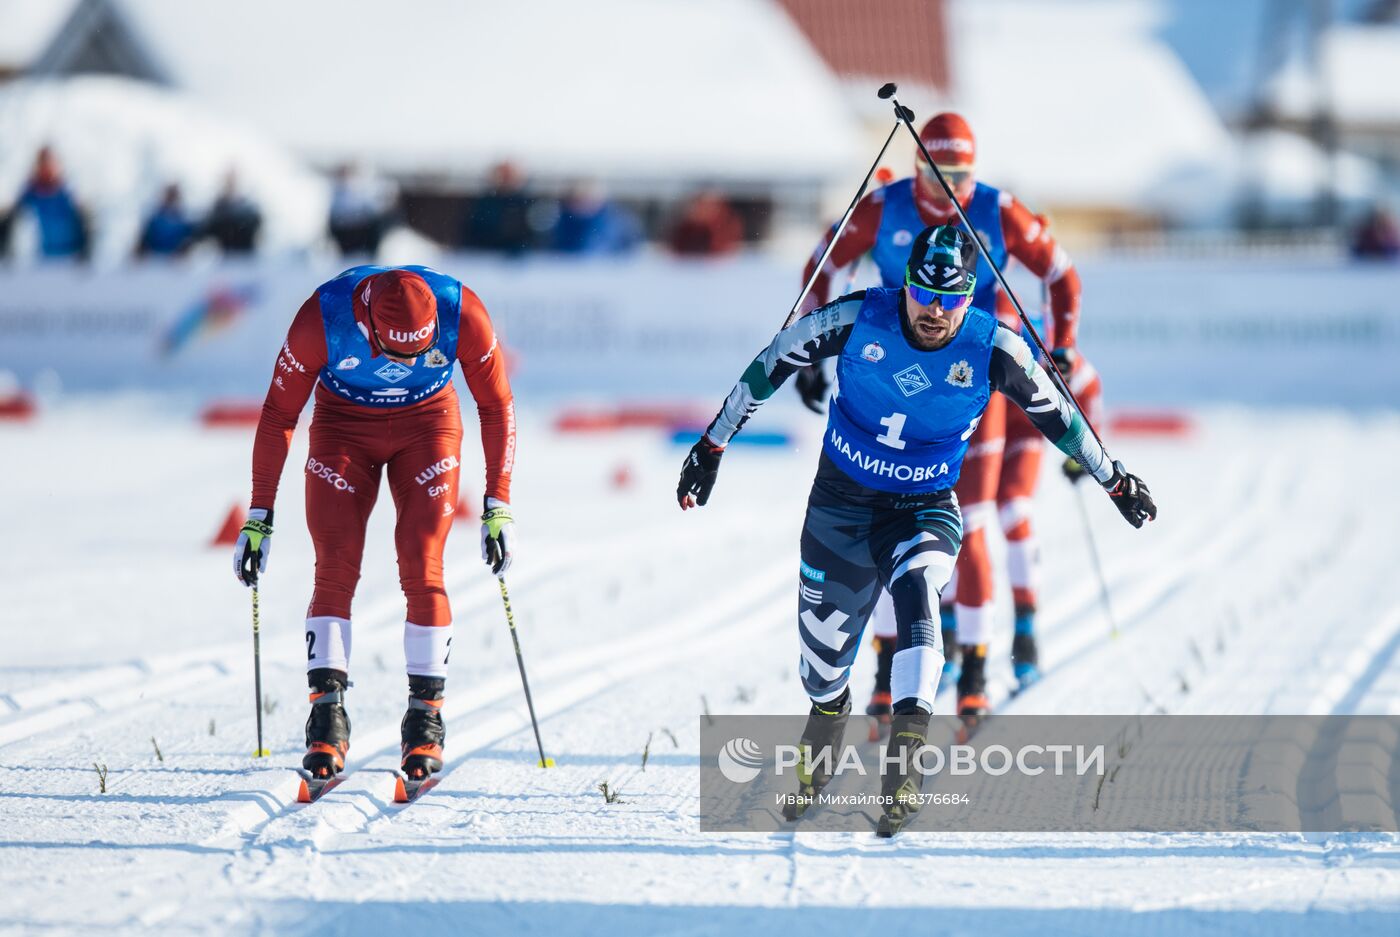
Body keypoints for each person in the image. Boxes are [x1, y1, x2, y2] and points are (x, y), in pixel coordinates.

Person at [677, 225, 1154, 836]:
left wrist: (1115, 480)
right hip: (839, 507)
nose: (934, 312)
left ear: (970, 298)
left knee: (919, 593)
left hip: (924, 504)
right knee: (821, 670)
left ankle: (904, 764)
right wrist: (712, 446)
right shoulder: (857, 317)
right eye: (923, 295)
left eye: (950, 300)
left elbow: (1061, 415)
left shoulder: (994, 348)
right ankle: (828, 716)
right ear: (903, 285)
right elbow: (770, 364)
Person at [793, 113, 1102, 725]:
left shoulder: (998, 209)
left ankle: (979, 666)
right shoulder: (883, 207)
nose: (946, 188)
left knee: (982, 517)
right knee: (881, 522)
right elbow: (824, 265)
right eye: (935, 176)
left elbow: (1062, 275)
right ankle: (887, 669)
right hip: (888, 380)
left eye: (959, 175)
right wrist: (810, 352)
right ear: (915, 168)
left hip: (967, 383)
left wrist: (1062, 347)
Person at [232, 266, 518, 784]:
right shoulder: (323, 317)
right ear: (366, 325)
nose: (407, 363)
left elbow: (496, 404)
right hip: (344, 428)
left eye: (420, 353)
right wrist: (259, 515)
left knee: (421, 556)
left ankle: (426, 718)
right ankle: (327, 715)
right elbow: (278, 413)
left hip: (428, 425)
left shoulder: (462, 311)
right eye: (397, 354)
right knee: (335, 563)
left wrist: (498, 504)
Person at [15, 146, 88, 261]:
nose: (47, 168)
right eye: (43, 164)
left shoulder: (67, 193)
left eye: (50, 163)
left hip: (70, 258)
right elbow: (16, 220)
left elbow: (83, 224)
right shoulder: (30, 194)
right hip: (42, 260)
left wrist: (83, 253)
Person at [204, 170, 262, 255]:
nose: (230, 184)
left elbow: (256, 224)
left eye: (232, 180)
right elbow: (210, 228)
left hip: (246, 256)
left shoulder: (248, 205)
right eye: (228, 181)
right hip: (227, 256)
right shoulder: (219, 206)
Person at [137, 183, 197, 258]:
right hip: (153, 258)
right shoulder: (154, 218)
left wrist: (184, 249)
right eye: (169, 196)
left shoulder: (184, 220)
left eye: (174, 196)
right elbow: (145, 236)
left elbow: (189, 238)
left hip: (173, 260)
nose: (171, 199)